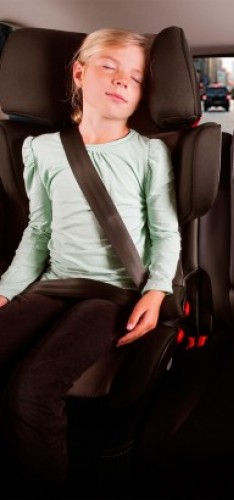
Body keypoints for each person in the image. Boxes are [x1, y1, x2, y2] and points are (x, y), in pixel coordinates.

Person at [0, 28, 181, 489]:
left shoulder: (148, 153)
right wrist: (5, 291)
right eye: (109, 67)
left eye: (135, 77)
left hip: (112, 294)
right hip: (53, 284)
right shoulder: (40, 149)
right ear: (79, 73)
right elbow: (38, 231)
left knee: (32, 390)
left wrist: (156, 291)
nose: (122, 81)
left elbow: (165, 232)